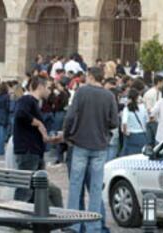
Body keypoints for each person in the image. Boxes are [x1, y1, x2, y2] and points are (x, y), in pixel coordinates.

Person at [64, 67, 118, 232]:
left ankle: (73, 224)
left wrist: (67, 135)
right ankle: (93, 226)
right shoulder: (109, 96)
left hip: (80, 143)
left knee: (75, 185)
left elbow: (71, 116)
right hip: (100, 145)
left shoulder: (81, 92)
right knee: (95, 188)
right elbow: (114, 122)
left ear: (90, 76)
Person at [13, 76, 52, 201]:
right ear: (40, 87)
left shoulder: (34, 103)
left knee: (37, 189)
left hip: (35, 150)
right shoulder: (27, 99)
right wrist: (38, 123)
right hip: (28, 150)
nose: (49, 91)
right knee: (25, 189)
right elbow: (20, 114)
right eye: (48, 87)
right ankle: (18, 218)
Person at [121, 88, 148, 156]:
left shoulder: (127, 108)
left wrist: (125, 132)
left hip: (131, 135)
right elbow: (147, 120)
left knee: (129, 156)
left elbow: (124, 122)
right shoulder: (143, 107)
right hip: (142, 134)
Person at [143, 76, 163, 147]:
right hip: (151, 120)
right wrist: (152, 116)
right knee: (151, 141)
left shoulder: (160, 93)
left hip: (158, 120)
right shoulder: (150, 93)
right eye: (162, 82)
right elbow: (148, 107)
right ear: (159, 82)